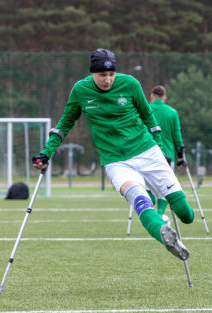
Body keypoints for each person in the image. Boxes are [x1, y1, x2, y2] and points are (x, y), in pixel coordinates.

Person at [32, 48, 194, 261]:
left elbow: (149, 118)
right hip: (115, 161)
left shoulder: (130, 84)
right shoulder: (80, 90)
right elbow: (65, 124)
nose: (108, 80)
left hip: (147, 151)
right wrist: (46, 153)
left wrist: (161, 150)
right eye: (102, 75)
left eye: (111, 75)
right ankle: (162, 231)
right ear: (92, 73)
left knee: (186, 214)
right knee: (140, 200)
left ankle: (165, 220)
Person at [148, 85, 186, 219]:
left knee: (147, 185)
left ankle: (150, 208)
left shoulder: (146, 109)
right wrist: (181, 157)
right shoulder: (172, 112)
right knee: (165, 187)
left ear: (151, 97)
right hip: (167, 156)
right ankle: (160, 214)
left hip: (146, 154)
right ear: (165, 98)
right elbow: (177, 137)